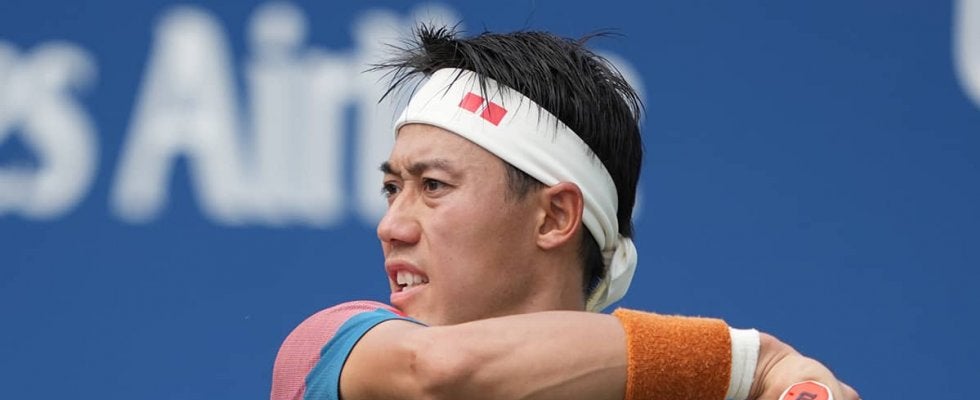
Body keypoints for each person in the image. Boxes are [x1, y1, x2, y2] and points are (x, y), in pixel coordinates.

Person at [271, 25, 860, 400]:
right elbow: (440, 371)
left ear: (554, 217)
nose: (391, 226)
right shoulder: (329, 350)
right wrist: (755, 362)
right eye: (392, 188)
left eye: (432, 186)